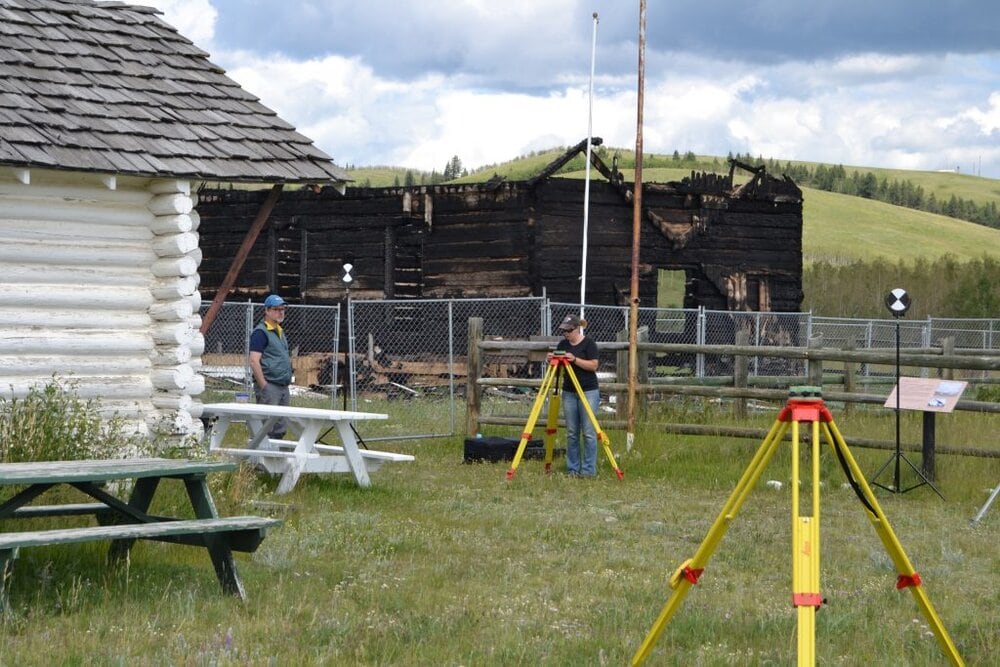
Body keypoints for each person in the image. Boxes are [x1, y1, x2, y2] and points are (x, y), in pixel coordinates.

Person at [549, 313, 601, 477]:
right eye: (564, 331)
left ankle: (588, 471)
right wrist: (552, 360)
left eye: (569, 331)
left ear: (577, 329)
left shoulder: (589, 343)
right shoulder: (562, 344)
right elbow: (557, 368)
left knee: (588, 432)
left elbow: (593, 365)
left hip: (588, 390)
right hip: (569, 391)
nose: (566, 334)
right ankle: (572, 469)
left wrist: (574, 359)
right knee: (572, 432)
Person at [249, 294, 292, 438]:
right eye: (276, 309)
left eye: (283, 309)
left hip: (283, 385)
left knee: (280, 426)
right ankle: (260, 457)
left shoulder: (279, 331)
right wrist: (264, 386)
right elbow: (254, 361)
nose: (280, 312)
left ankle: (275, 457)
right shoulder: (261, 332)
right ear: (267, 311)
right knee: (267, 426)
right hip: (270, 385)